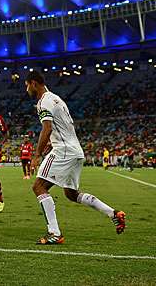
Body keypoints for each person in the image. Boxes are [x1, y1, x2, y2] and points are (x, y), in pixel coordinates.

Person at [25, 71, 126, 245]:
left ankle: (54, 233)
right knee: (71, 194)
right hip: (76, 150)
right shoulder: (57, 99)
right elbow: (61, 126)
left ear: (34, 83)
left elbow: (47, 128)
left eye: (26, 85)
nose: (26, 89)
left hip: (63, 150)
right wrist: (53, 141)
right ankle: (113, 213)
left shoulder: (43, 102)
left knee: (39, 186)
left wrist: (37, 155)